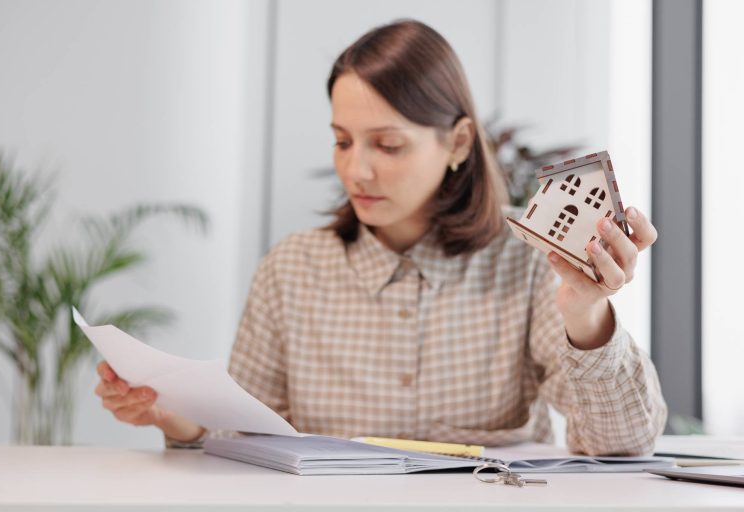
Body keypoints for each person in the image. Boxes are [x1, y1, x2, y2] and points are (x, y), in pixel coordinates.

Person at [94, 19, 666, 455]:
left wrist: (586, 314)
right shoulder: (291, 269)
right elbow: (242, 435)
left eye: (387, 145)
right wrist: (174, 417)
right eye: (343, 141)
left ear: (460, 143)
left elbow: (625, 442)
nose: (357, 171)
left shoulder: (525, 264)